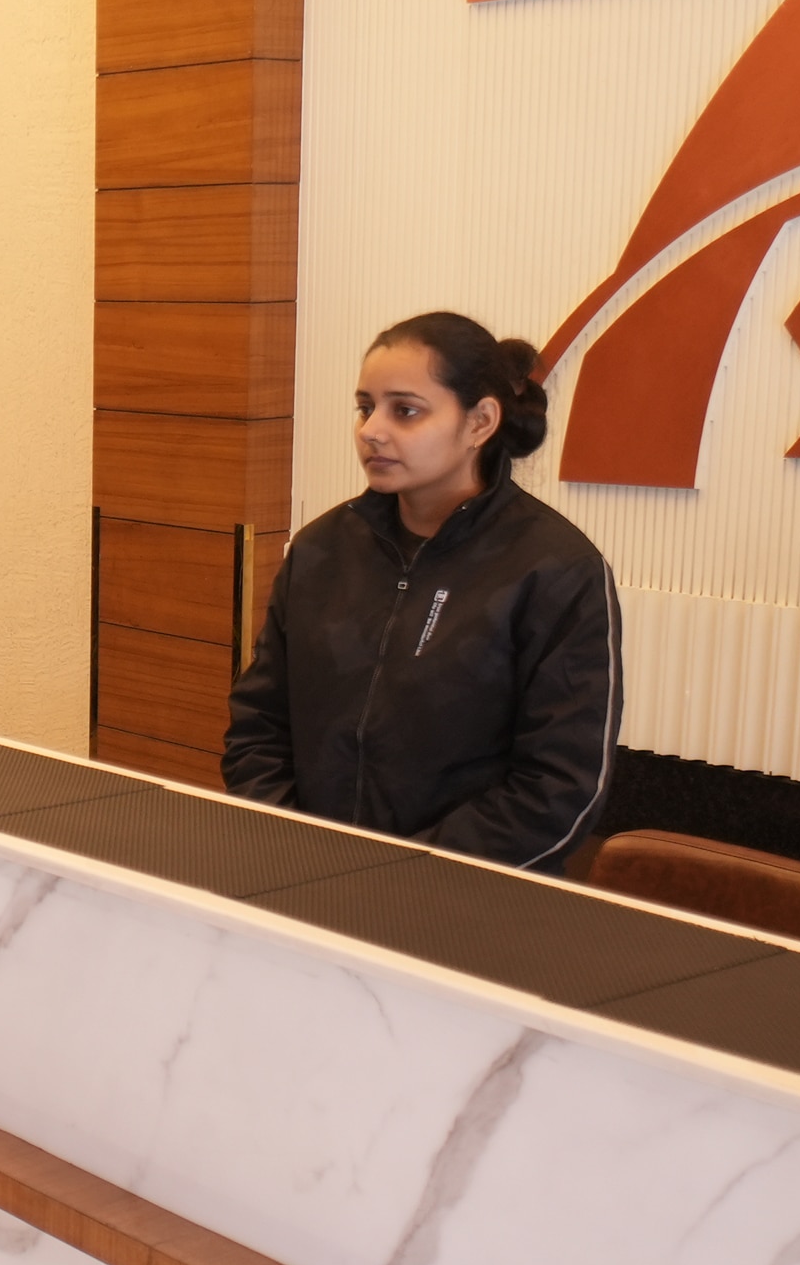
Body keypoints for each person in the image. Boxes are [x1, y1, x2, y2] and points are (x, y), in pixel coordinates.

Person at [225, 311, 620, 872]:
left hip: (458, 896)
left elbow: (559, 789)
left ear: (480, 422)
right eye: (366, 407)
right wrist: (297, 850)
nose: (371, 430)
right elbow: (258, 727)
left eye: (405, 411)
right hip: (301, 874)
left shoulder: (556, 568)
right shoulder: (320, 550)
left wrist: (401, 877)